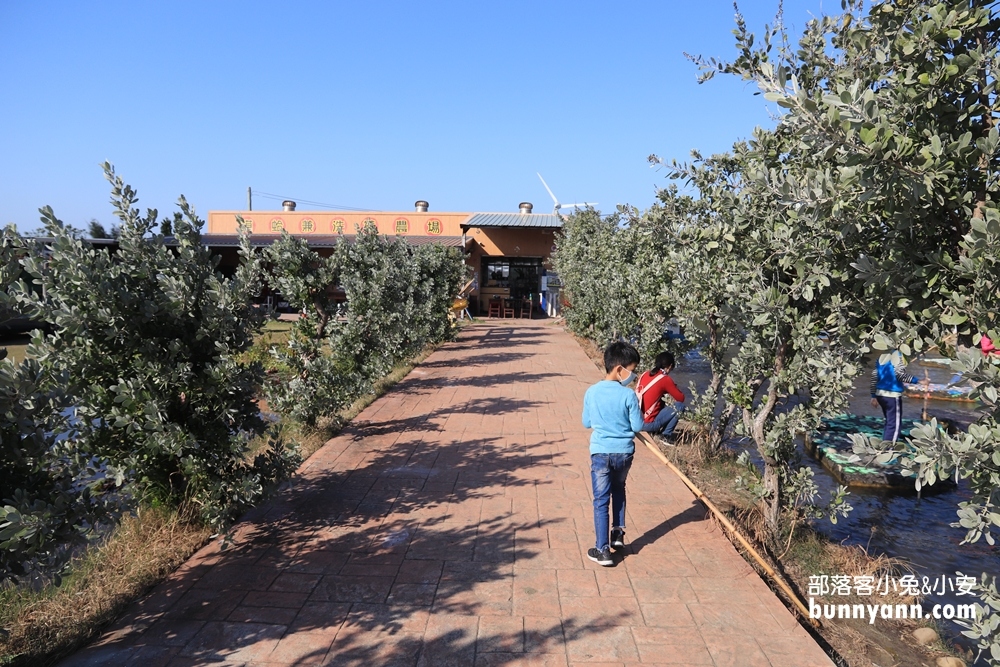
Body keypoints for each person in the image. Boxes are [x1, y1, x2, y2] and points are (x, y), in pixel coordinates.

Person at [581, 341, 644, 567]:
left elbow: (586, 422)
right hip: (624, 453)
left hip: (600, 453)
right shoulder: (628, 396)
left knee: (600, 500)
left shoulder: (591, 392)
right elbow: (637, 426)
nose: (633, 375)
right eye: (632, 370)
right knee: (619, 489)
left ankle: (603, 549)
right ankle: (617, 533)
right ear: (620, 369)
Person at [635, 351, 686, 442]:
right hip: (645, 424)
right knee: (680, 406)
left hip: (635, 420)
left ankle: (656, 431)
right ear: (670, 366)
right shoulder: (665, 379)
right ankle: (665, 435)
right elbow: (681, 398)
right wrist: (673, 386)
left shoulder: (645, 374)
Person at [869, 350, 917, 443]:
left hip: (880, 395)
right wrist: (918, 381)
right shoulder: (899, 357)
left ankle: (885, 446)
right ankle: (889, 450)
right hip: (892, 396)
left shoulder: (881, 357)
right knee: (895, 425)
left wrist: (873, 396)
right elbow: (900, 375)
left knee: (889, 422)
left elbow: (875, 376)